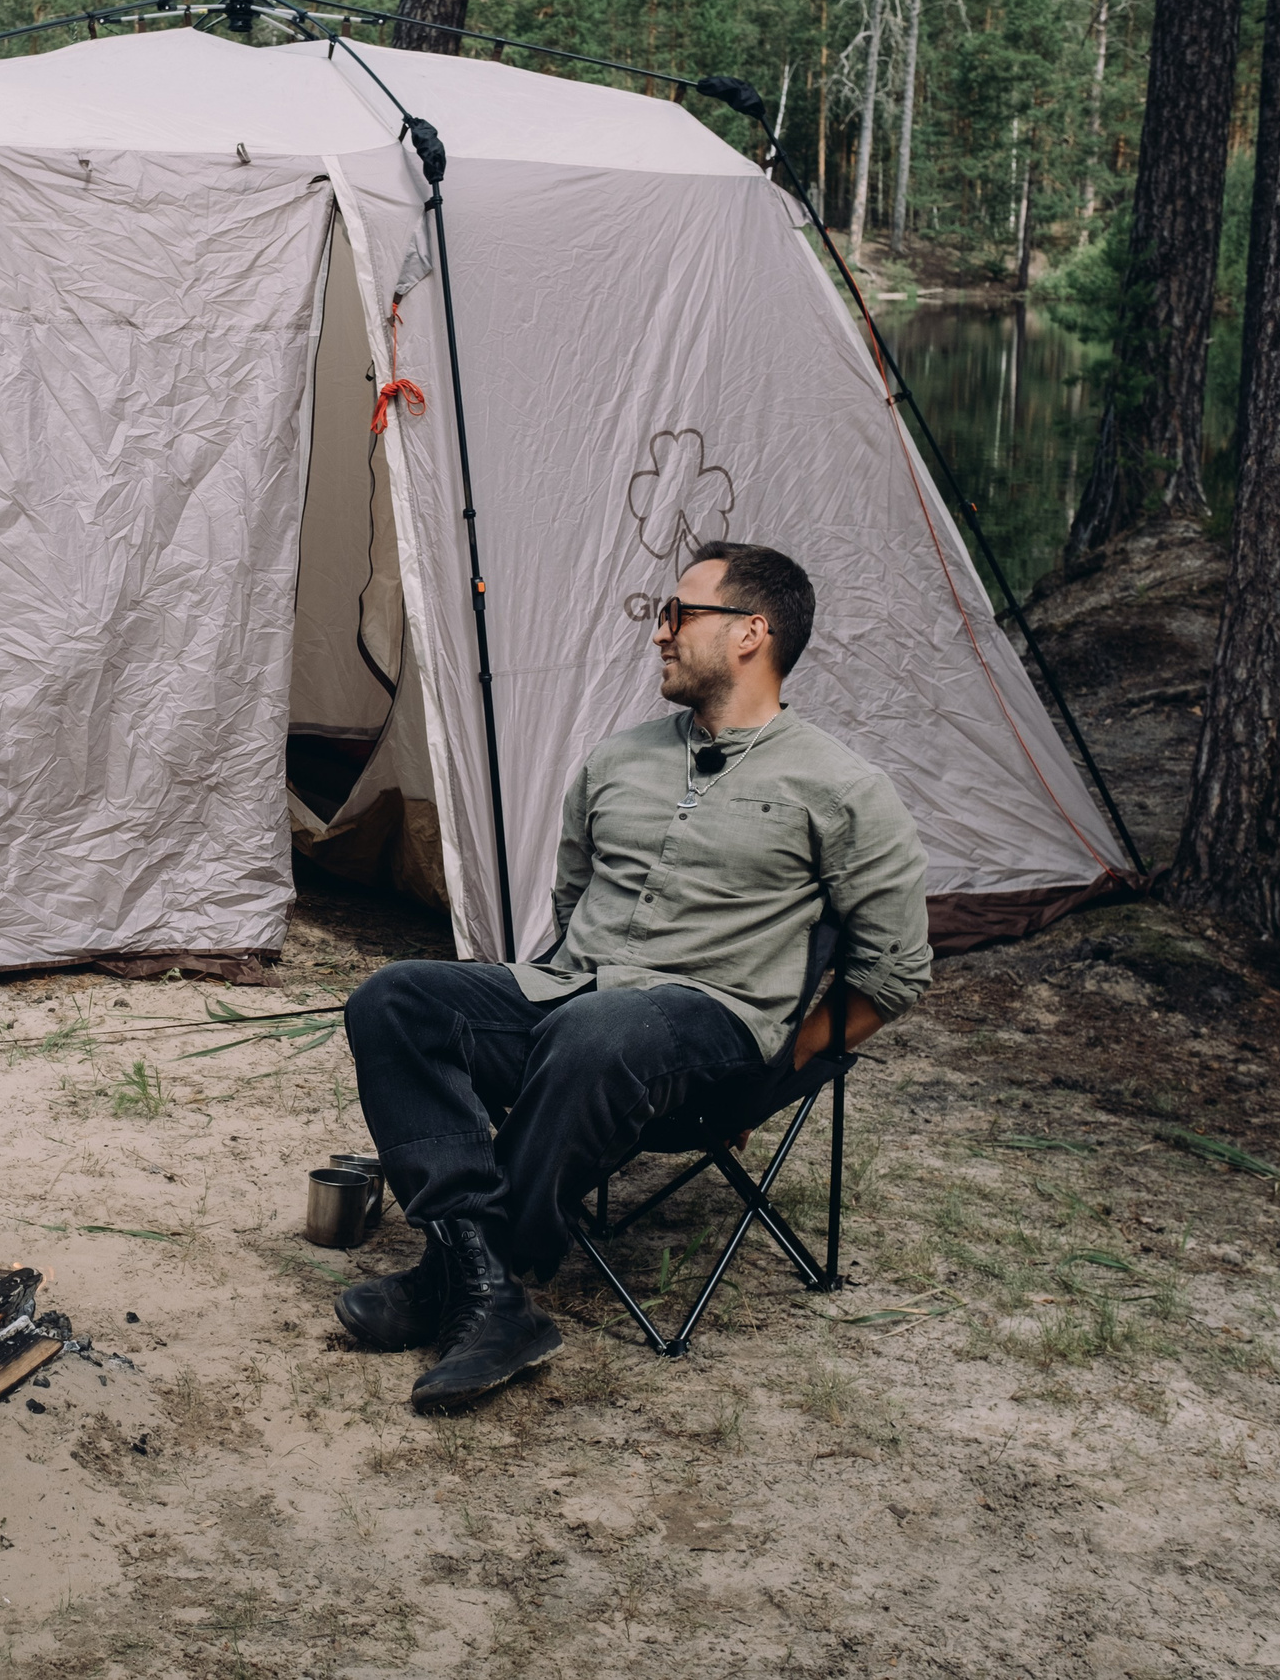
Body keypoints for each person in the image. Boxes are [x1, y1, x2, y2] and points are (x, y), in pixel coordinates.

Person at [338, 542, 931, 1412]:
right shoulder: (617, 760)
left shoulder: (844, 788)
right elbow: (571, 908)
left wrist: (772, 1084)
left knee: (601, 1028)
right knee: (394, 999)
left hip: (707, 1028)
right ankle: (482, 1282)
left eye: (679, 613)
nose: (659, 632)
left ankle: (459, 1274)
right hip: (573, 1000)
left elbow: (896, 969)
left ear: (751, 633)